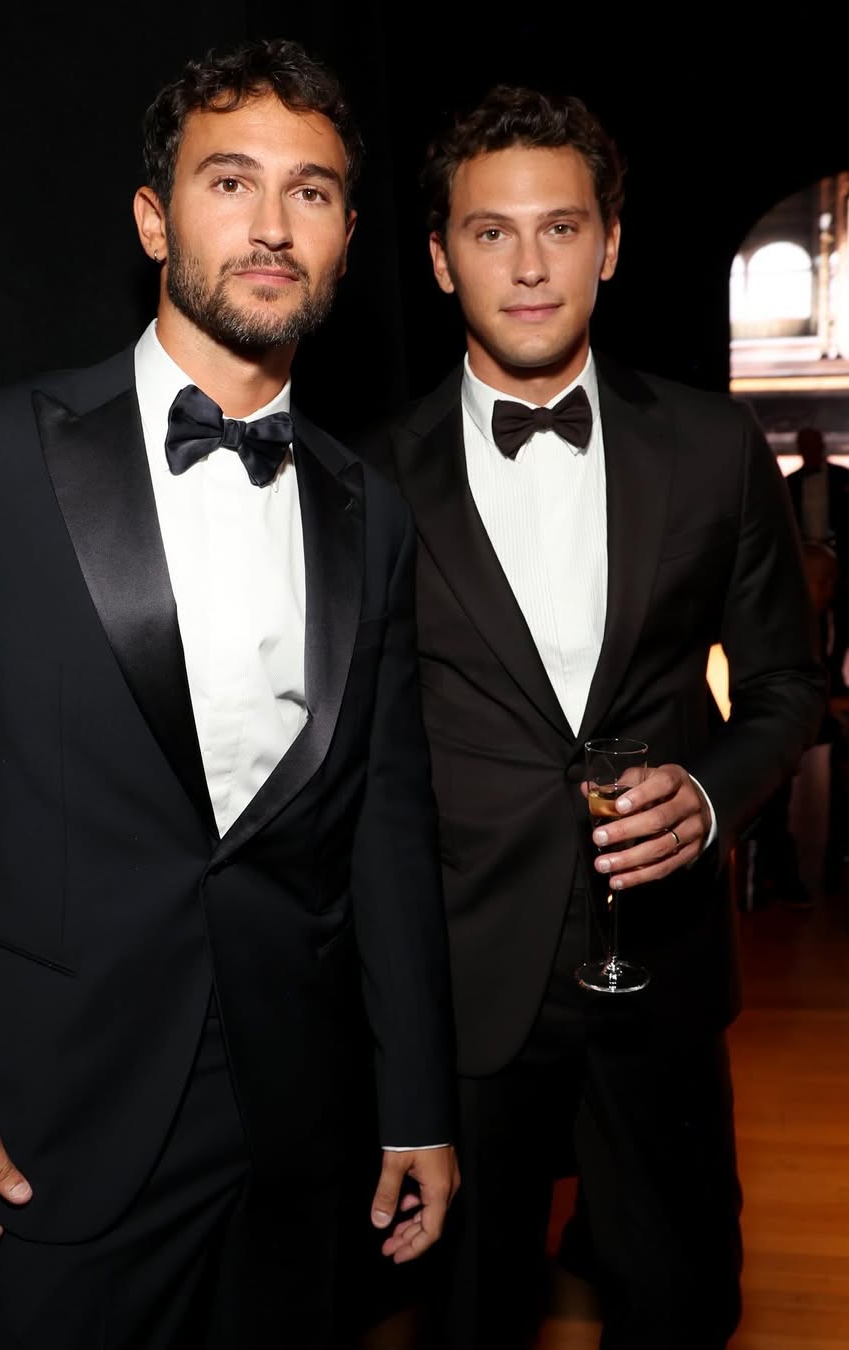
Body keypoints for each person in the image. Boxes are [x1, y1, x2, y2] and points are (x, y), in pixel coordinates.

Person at [0, 39, 458, 1350]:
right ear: (155, 219)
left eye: (313, 191)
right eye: (231, 182)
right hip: (47, 1117)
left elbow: (387, 826)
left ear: (345, 238)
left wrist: (418, 1104)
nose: (272, 225)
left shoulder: (372, 513)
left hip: (297, 1125)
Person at [363, 85, 824, 1348]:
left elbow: (787, 687)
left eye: (560, 228)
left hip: (661, 974)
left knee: (683, 1304)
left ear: (610, 246)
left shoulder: (713, 447)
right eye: (491, 232)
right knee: (468, 1316)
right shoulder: (368, 478)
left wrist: (711, 796)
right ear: (440, 257)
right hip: (464, 984)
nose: (529, 266)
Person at [785, 426, 849, 690]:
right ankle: (820, 674)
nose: (810, 450)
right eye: (805, 445)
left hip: (842, 559)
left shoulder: (843, 477)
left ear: (822, 446)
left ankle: (835, 672)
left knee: (844, 617)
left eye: (814, 444)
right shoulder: (790, 483)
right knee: (814, 621)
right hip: (807, 562)